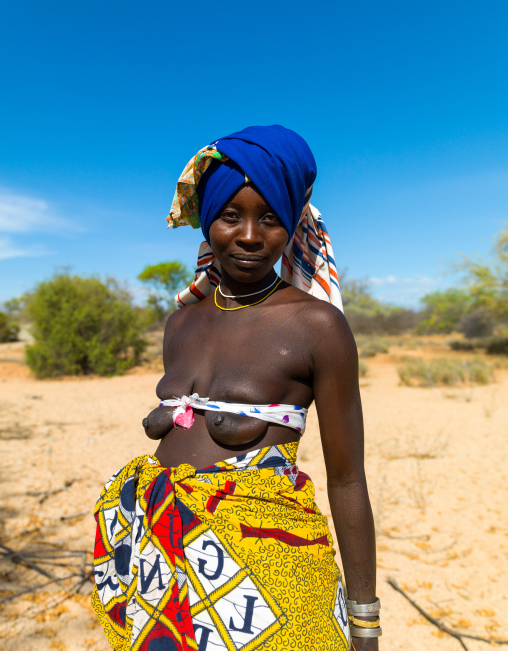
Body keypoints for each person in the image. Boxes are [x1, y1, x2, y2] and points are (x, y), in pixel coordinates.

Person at [91, 125, 380, 651]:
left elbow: (347, 479)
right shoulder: (182, 324)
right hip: (161, 561)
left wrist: (364, 622)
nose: (250, 235)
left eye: (270, 218)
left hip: (269, 562)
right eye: (231, 216)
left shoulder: (316, 326)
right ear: (208, 223)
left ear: (292, 225)